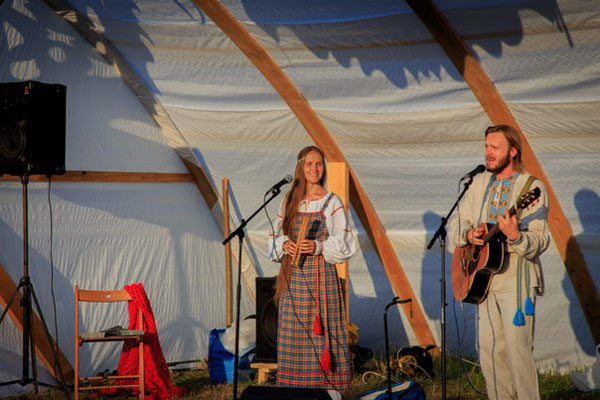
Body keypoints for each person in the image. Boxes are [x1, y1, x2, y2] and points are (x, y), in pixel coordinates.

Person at [450, 125, 550, 400]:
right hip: (483, 278)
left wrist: (516, 235)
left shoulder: (532, 188)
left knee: (517, 349)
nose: (488, 153)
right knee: (489, 349)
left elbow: (541, 240)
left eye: (495, 147)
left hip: (516, 278)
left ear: (513, 151)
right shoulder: (480, 182)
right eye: (486, 147)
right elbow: (457, 222)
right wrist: (469, 234)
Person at [268, 146, 356, 396]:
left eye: (319, 164)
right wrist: (285, 243)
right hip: (293, 279)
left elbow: (346, 243)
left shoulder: (332, 201)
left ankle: (328, 393)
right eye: (309, 164)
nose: (314, 169)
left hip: (321, 280)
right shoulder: (290, 200)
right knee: (294, 336)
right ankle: (295, 392)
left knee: (323, 334)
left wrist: (317, 245)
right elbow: (274, 236)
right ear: (301, 168)